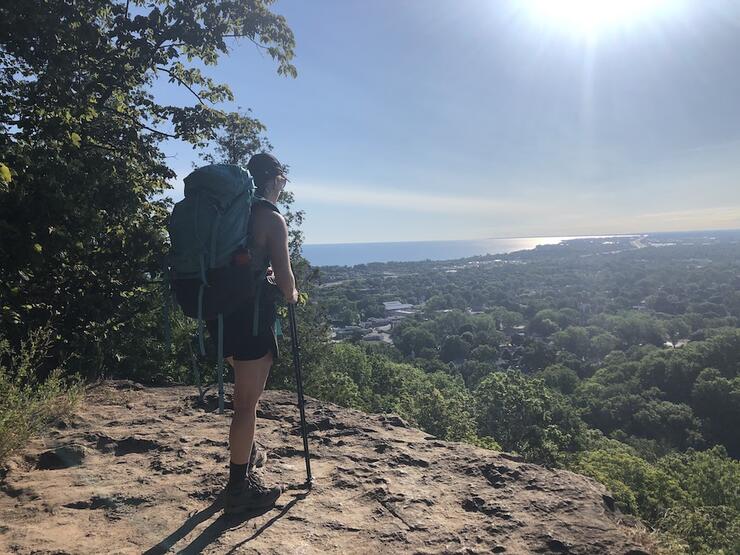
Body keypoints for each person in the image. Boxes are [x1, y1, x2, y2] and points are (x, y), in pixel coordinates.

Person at [207, 152, 299, 514]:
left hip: (218, 314)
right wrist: (290, 294)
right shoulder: (270, 218)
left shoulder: (227, 212)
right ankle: (237, 488)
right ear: (275, 179)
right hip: (251, 319)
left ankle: (248, 454)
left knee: (241, 394)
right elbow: (286, 278)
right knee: (247, 404)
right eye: (283, 180)